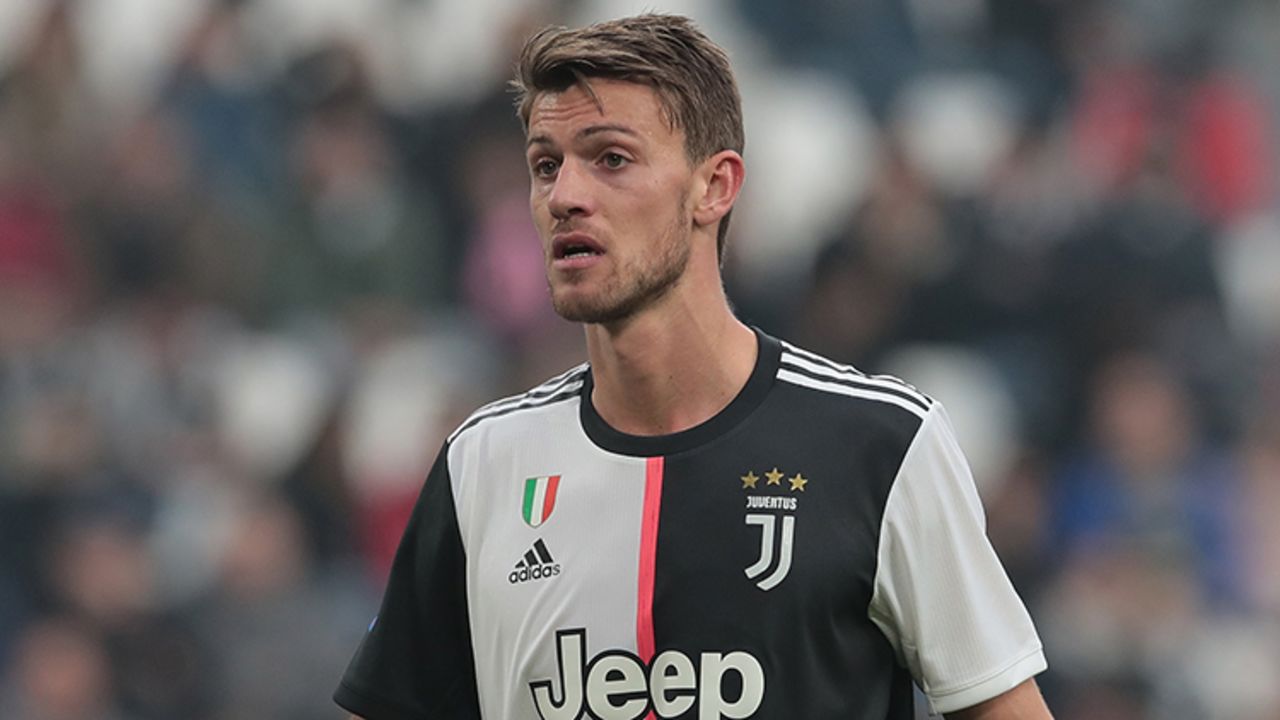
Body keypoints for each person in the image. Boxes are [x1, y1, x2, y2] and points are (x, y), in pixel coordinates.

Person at [334, 13, 1052, 720]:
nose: (565, 196)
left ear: (715, 187)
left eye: (610, 158)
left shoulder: (881, 447)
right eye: (545, 165)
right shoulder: (483, 466)